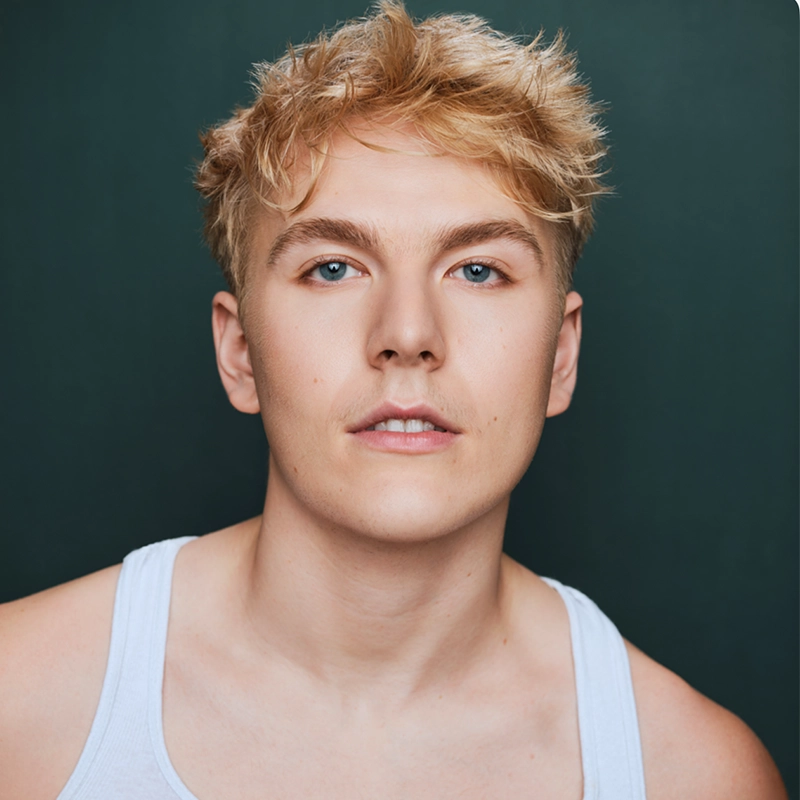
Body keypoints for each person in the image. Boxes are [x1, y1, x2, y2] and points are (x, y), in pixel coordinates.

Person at [0, 3, 787, 798]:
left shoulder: (693, 774)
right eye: (333, 268)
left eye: (478, 269)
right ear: (239, 351)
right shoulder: (18, 705)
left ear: (562, 354)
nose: (408, 334)